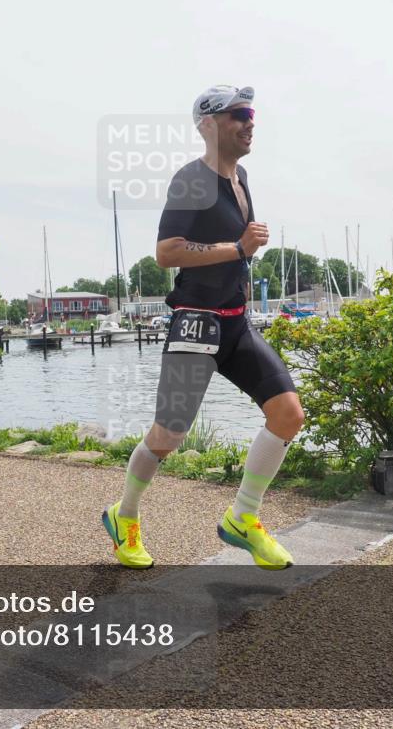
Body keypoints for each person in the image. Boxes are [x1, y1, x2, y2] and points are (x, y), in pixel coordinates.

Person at [102, 86, 305, 570]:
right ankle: (123, 515)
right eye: (240, 114)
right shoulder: (190, 180)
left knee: (289, 415)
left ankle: (243, 517)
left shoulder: (243, 178)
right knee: (169, 435)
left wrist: (242, 261)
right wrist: (237, 249)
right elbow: (167, 252)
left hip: (237, 325)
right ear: (209, 124)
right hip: (195, 325)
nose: (251, 121)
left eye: (251, 113)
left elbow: (238, 248)